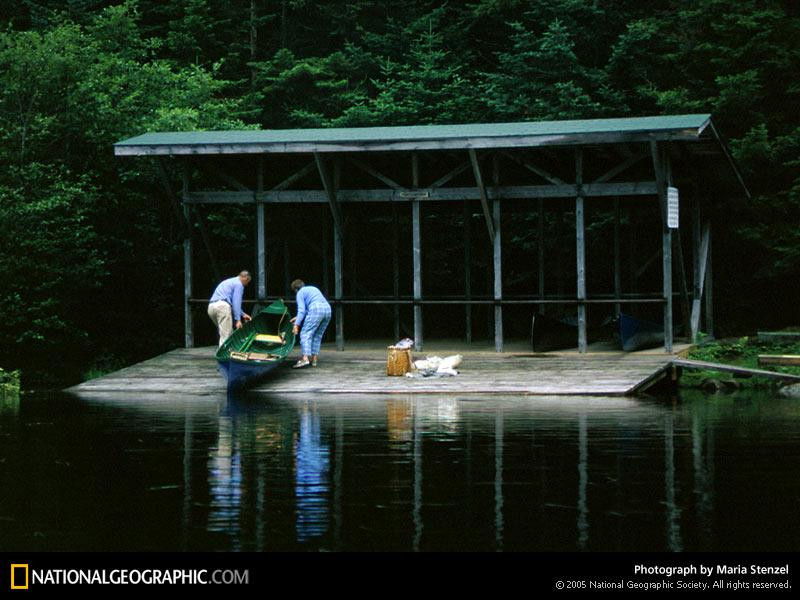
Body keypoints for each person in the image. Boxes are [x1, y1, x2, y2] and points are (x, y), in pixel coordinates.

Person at [290, 279, 331, 368]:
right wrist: (297, 318)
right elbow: (308, 308)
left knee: (305, 334)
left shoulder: (300, 293)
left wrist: (296, 325)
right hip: (327, 309)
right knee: (317, 335)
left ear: (296, 289)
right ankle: (314, 359)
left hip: (315, 309)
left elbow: (302, 310)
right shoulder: (312, 288)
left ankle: (305, 358)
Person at [208, 271, 252, 347]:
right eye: (247, 282)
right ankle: (224, 356)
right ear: (245, 279)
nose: (247, 285)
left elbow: (231, 303)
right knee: (226, 335)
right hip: (222, 307)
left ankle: (228, 352)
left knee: (224, 332)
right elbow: (236, 302)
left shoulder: (229, 281)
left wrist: (243, 314)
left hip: (211, 307)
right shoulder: (239, 284)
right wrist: (238, 320)